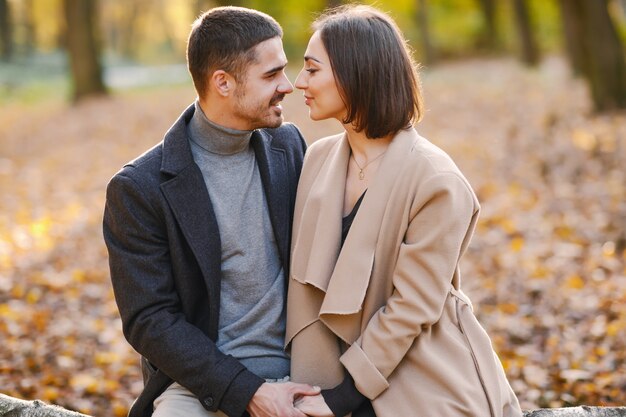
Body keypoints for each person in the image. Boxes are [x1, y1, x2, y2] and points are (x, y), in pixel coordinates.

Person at [286, 5, 523, 417]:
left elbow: (411, 309)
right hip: (327, 374)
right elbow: (305, 292)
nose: (298, 82)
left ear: (354, 71)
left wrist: (340, 400)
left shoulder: (436, 180)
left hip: (420, 376)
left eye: (311, 69)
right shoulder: (318, 160)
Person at [103, 7, 318, 417]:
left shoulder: (288, 147)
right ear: (223, 82)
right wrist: (247, 391)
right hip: (199, 387)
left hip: (305, 371)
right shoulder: (139, 188)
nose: (288, 87)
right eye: (271, 75)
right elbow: (150, 320)